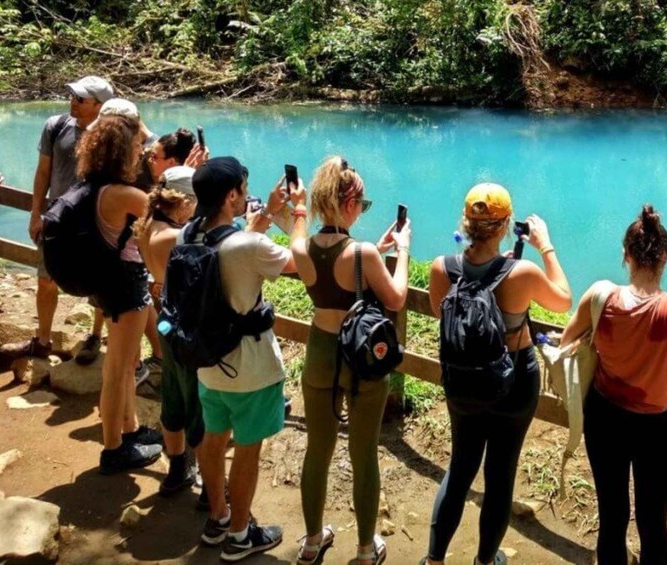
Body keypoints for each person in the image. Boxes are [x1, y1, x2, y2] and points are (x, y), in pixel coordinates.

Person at [423, 183, 571, 565]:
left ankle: (435, 559)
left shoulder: (443, 268)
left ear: (466, 223)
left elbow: (445, 318)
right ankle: (485, 561)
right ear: (506, 225)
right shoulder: (521, 272)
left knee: (460, 468)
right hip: (515, 379)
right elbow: (563, 299)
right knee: (500, 474)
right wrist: (546, 247)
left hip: (462, 380)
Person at [560, 205, 667, 565]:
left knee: (611, 516)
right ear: (666, 258)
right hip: (655, 426)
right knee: (653, 522)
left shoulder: (600, 295)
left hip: (604, 416)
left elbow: (566, 340)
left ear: (625, 255)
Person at [291, 156, 411, 565]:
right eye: (363, 203)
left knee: (317, 451)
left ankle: (310, 542)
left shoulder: (304, 247)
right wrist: (404, 252)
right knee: (364, 454)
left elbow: (333, 271)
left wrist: (372, 251)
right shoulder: (361, 252)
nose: (363, 209)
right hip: (359, 359)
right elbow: (395, 297)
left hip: (320, 352)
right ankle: (363, 549)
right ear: (349, 203)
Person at [191, 156, 301, 561]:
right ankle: (240, 535)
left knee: (213, 440)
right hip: (249, 369)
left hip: (208, 363)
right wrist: (299, 214)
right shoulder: (248, 245)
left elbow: (234, 244)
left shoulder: (190, 234)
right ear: (232, 194)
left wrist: (268, 212)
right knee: (248, 451)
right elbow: (301, 263)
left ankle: (219, 518)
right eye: (243, 187)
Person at [76, 107, 164, 474]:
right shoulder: (126, 195)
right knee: (117, 370)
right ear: (120, 152)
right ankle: (113, 448)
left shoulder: (91, 186)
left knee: (125, 365)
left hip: (107, 284)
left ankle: (128, 432)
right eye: (133, 146)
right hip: (124, 286)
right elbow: (167, 218)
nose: (139, 153)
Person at [2, 76, 113, 361]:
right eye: (73, 97)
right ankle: (43, 340)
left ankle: (95, 336)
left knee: (100, 282)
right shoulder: (56, 126)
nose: (72, 102)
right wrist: (36, 214)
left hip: (95, 221)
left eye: (81, 99)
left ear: (100, 105)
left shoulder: (111, 137)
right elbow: (43, 173)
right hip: (56, 218)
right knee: (45, 278)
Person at [136, 165, 204, 497]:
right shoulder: (173, 236)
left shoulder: (149, 225)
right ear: (184, 201)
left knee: (173, 397)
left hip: (166, 319)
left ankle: (178, 469)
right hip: (185, 323)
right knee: (196, 404)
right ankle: (209, 483)